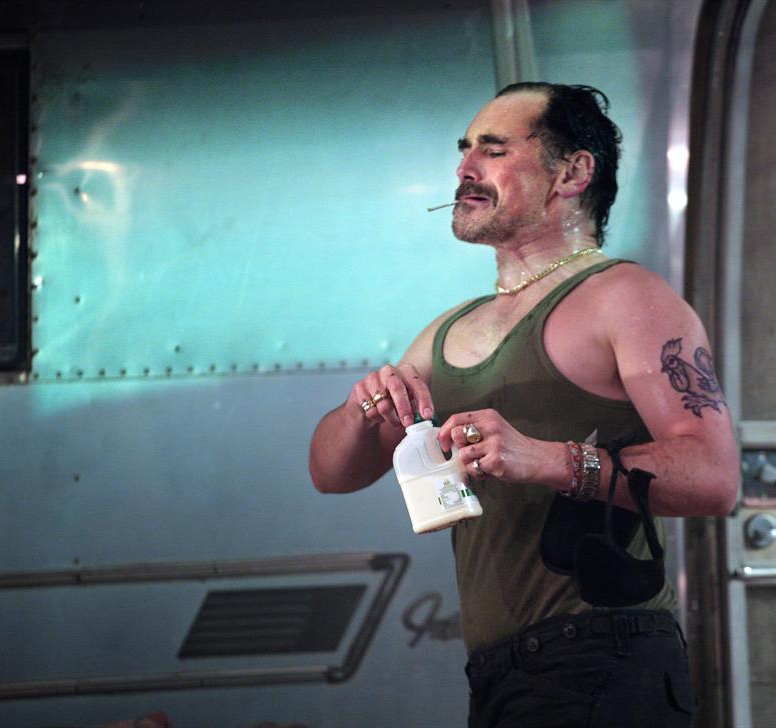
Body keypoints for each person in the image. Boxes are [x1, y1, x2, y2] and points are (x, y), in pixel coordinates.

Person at [309, 82, 740, 728]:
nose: (464, 168)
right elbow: (332, 474)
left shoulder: (627, 298)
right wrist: (358, 411)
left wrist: (546, 460)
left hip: (603, 654)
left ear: (572, 173)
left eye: (493, 149)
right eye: (463, 150)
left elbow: (714, 475)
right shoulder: (448, 330)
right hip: (499, 672)